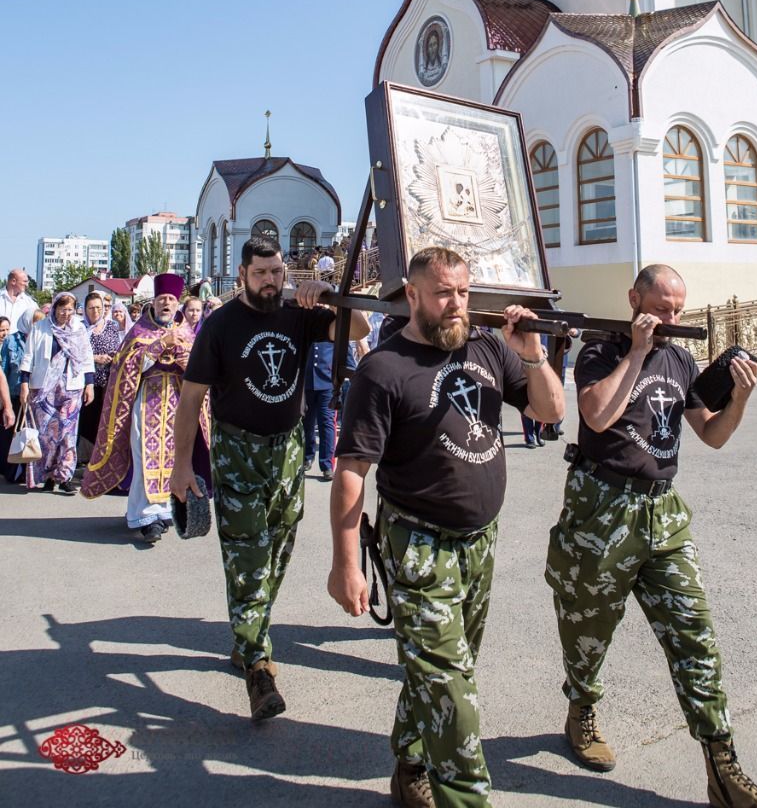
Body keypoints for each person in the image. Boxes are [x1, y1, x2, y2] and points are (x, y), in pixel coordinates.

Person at [328, 246, 564, 808]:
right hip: (418, 544)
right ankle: (463, 794)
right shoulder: (383, 369)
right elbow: (351, 472)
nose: (457, 304)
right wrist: (345, 565)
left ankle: (410, 762)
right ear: (412, 296)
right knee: (453, 693)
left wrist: (533, 356)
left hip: (479, 543)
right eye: (442, 294)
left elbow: (550, 412)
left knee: (444, 671)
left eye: (463, 292)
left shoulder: (488, 348)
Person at [545, 264, 757, 808]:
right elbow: (597, 416)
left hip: (663, 512)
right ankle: (581, 709)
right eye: (660, 308)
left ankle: (723, 769)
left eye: (678, 309)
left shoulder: (681, 360)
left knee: (695, 635)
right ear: (634, 299)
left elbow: (711, 434)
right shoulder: (601, 350)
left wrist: (739, 400)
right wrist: (636, 352)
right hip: (601, 511)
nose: (671, 319)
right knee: (586, 631)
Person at [170, 235, 369, 723]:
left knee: (278, 551)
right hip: (237, 453)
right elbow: (192, 397)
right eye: (260, 273)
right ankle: (258, 666)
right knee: (249, 558)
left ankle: (248, 633)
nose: (270, 281)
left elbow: (361, 327)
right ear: (242, 275)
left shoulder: (299, 314)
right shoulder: (220, 325)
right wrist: (181, 465)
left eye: (276, 272)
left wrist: (328, 295)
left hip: (288, 453)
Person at [82, 273, 208, 543]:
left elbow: (199, 368)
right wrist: (160, 346)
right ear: (153, 302)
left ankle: (165, 510)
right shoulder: (139, 330)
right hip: (147, 401)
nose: (166, 303)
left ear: (177, 303)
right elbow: (124, 364)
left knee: (174, 457)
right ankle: (145, 516)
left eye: (171, 299)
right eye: (162, 299)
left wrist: (184, 360)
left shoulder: (186, 332)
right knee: (144, 457)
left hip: (178, 401)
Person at [19, 292, 95, 494]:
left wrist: (89, 384)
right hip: (44, 387)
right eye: (62, 309)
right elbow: (28, 357)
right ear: (54, 308)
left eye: (70, 309)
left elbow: (87, 357)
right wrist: (24, 383)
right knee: (46, 434)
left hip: (72, 386)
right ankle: (47, 475)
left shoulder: (79, 329)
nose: (66, 314)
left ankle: (64, 475)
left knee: (67, 432)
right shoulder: (40, 327)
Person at [302, 337, 358, 480]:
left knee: (326, 424)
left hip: (328, 386)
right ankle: (307, 457)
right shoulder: (307, 330)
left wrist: (354, 378)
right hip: (306, 384)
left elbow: (348, 359)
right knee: (307, 424)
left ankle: (327, 464)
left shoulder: (335, 334)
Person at [78, 292, 124, 457]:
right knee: (86, 419)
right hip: (85, 382)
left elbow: (119, 347)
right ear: (85, 309)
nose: (95, 311)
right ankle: (84, 455)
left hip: (107, 381)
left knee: (103, 419)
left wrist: (112, 357)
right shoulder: (80, 328)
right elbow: (75, 352)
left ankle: (100, 455)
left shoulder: (111, 326)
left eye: (98, 307)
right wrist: (95, 358)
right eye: (91, 308)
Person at [0, 316, 26, 479]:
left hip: (15, 396)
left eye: (6, 329)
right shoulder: (11, 343)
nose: (4, 333)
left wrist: (7, 406)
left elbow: (1, 377)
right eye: (1, 330)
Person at [0, 268, 37, 337]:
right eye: (25, 281)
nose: (27, 285)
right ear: (13, 281)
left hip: (20, 343)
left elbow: (38, 323)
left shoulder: (30, 303)